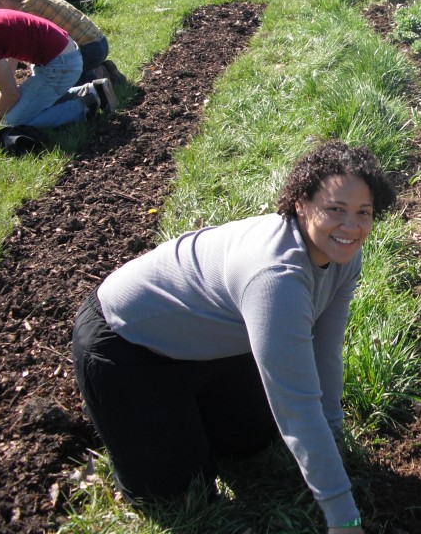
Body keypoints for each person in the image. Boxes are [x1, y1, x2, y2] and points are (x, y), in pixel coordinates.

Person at [71, 140, 397, 534]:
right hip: (128, 346)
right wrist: (345, 519)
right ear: (300, 203)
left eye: (364, 212)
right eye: (335, 209)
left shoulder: (343, 252)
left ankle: (188, 414)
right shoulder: (276, 278)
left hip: (213, 345)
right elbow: (296, 406)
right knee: (176, 493)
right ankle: (126, 415)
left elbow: (324, 349)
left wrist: (334, 430)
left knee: (251, 440)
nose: (352, 226)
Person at [0, 7, 117, 128]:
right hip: (63, 57)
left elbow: (11, 95)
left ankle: (85, 106)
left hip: (60, 66)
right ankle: (91, 91)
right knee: (24, 107)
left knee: (9, 123)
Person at [0, 0, 119, 86]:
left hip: (89, 50)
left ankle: (92, 78)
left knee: (56, 84)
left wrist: (8, 83)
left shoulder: (26, 10)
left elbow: (20, 52)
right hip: (99, 44)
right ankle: (99, 69)